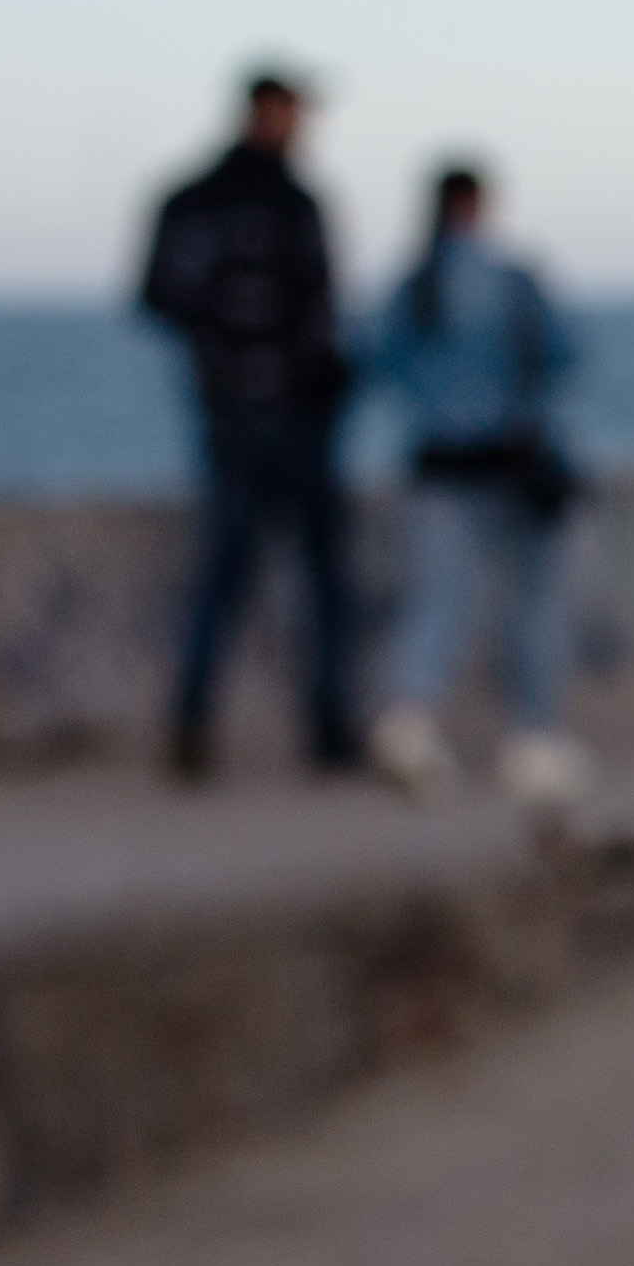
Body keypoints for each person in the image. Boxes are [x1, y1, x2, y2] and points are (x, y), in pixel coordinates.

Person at [133, 66, 364, 779]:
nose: (301, 128)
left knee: (245, 575)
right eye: (293, 113)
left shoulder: (201, 199)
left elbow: (158, 298)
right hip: (263, 414)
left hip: (256, 410)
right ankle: (290, 729)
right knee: (285, 576)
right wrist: (252, 345)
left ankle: (221, 725)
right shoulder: (268, 203)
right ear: (266, 112)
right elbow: (166, 297)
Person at [355, 161, 595, 807]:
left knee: (437, 600)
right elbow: (566, 357)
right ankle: (533, 739)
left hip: (436, 463)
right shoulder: (512, 281)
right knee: (532, 600)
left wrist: (437, 396)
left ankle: (409, 723)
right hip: (508, 465)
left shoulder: (410, 286)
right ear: (481, 206)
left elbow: (370, 363)